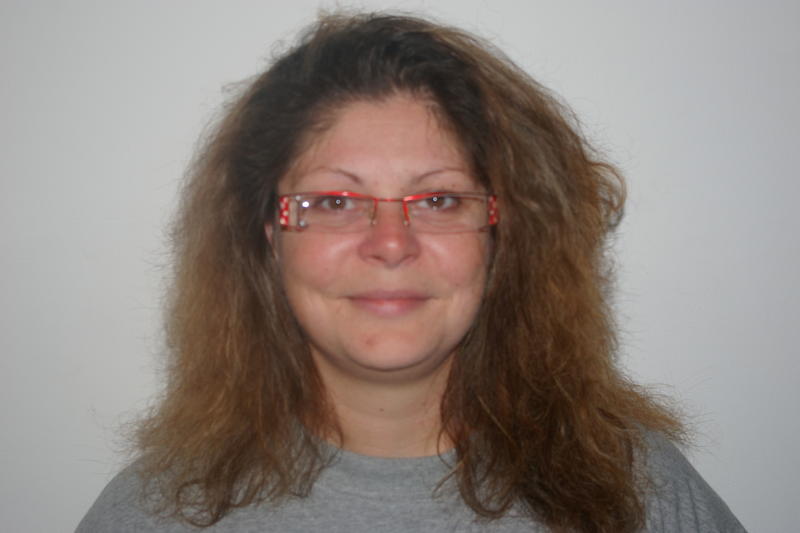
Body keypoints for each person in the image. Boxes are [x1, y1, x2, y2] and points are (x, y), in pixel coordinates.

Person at [77, 11, 746, 533]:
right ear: (268, 237)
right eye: (335, 202)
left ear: (503, 236)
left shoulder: (637, 495)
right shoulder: (154, 512)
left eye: (440, 200)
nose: (391, 244)